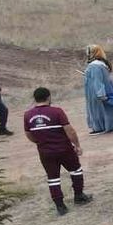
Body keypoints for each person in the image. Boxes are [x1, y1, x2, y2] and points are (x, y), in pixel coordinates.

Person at [22, 86, 91, 216]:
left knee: (53, 178)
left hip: (45, 152)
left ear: (35, 99)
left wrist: (39, 142)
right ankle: (79, 196)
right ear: (48, 97)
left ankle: (60, 206)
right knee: (76, 171)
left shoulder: (28, 115)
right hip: (64, 149)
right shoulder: (57, 111)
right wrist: (77, 145)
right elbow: (69, 130)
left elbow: (28, 134)